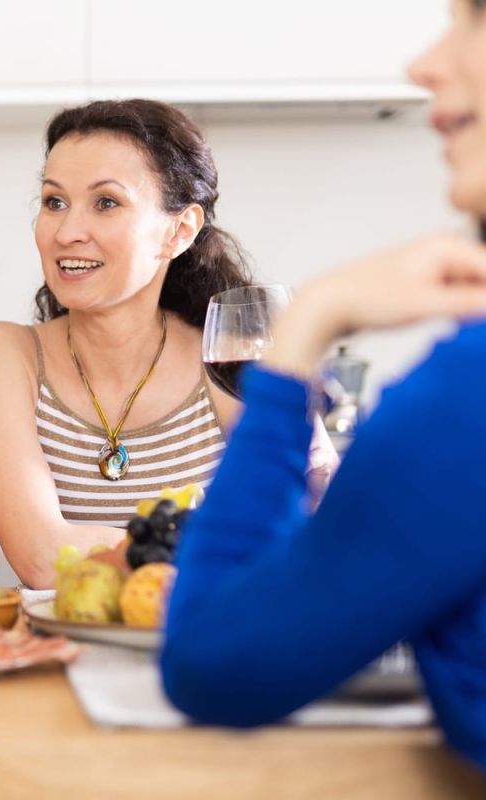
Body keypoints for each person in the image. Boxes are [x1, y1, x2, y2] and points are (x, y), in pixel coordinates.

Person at [160, 0, 486, 771]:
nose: (422, 64)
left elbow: (212, 660)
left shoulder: (466, 396)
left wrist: (308, 324)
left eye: (474, 16)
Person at [0, 100, 257, 588]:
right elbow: (41, 557)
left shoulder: (225, 358)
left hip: (209, 634)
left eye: (106, 203)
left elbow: (297, 531)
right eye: (54, 202)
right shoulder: (2, 354)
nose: (67, 233)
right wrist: (213, 546)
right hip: (60, 638)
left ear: (179, 231)